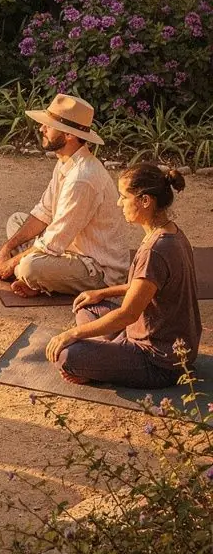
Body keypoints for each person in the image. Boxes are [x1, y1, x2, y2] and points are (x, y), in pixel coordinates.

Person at [46, 164, 200, 388]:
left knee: (66, 355)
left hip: (158, 361)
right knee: (87, 306)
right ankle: (108, 356)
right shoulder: (171, 232)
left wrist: (72, 334)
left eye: (124, 197)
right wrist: (101, 293)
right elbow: (144, 286)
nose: (119, 203)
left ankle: (101, 363)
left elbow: (128, 314)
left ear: (145, 201)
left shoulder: (155, 250)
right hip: (154, 338)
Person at [0, 92, 129, 298]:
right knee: (16, 221)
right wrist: (7, 248)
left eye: (49, 125)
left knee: (29, 267)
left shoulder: (82, 178)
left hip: (97, 268)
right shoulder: (65, 161)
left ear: (69, 135)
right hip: (66, 249)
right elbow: (44, 212)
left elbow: (53, 241)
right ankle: (41, 279)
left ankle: (36, 279)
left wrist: (12, 262)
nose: (42, 129)